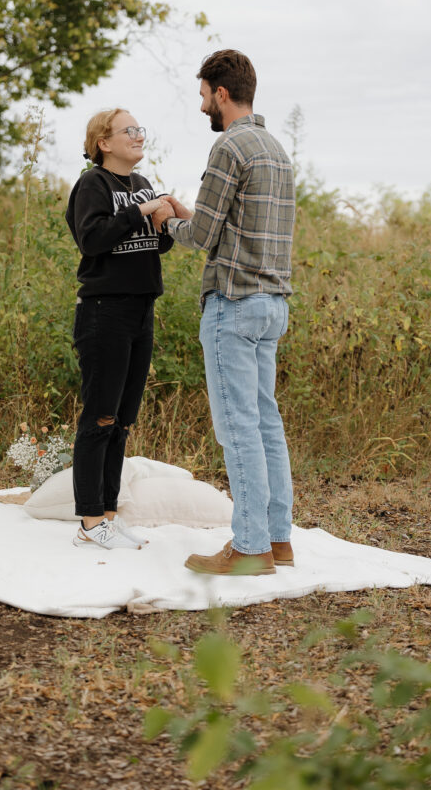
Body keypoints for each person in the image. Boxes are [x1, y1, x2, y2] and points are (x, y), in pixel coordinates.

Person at [152, 49, 296, 575]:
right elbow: (231, 225)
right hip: (271, 304)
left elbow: (201, 236)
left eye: (203, 96)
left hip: (233, 304)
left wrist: (167, 218)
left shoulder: (229, 147)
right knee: (265, 424)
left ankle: (250, 548)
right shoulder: (274, 149)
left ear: (221, 92)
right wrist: (190, 215)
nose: (201, 108)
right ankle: (279, 540)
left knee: (237, 428)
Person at [66, 108, 173, 550]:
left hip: (141, 310)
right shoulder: (93, 184)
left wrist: (164, 217)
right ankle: (90, 523)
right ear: (103, 143)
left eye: (139, 129)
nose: (138, 135)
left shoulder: (143, 184)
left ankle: (108, 515)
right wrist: (139, 212)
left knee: (122, 421)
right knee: (100, 417)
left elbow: (157, 244)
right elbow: (91, 239)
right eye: (128, 130)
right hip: (104, 312)